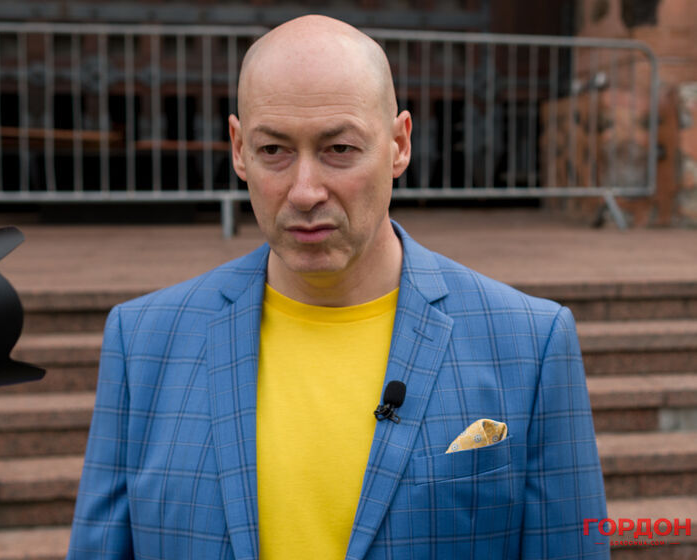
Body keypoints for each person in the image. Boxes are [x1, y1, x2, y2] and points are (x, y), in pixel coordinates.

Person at [68, 15, 609, 560]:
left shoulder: (530, 344)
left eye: (340, 149)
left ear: (399, 145)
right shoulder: (144, 342)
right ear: (238, 149)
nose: (305, 191)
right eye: (273, 150)